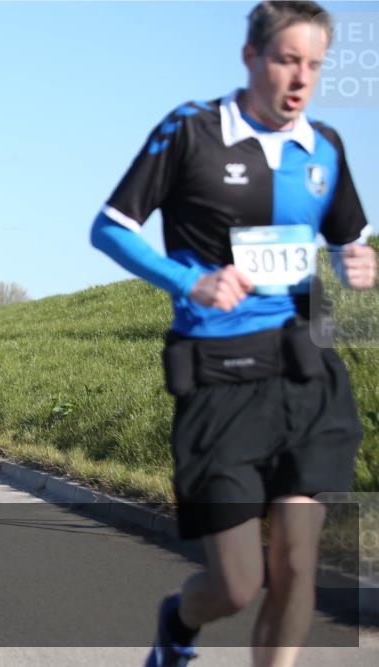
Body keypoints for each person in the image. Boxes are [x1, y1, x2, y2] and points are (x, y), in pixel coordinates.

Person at [89, 3, 375, 665]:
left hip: (307, 373)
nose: (300, 79)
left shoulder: (325, 146)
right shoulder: (191, 131)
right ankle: (179, 623)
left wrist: (355, 262)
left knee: (300, 560)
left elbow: (345, 241)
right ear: (250, 58)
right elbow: (108, 229)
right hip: (220, 375)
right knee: (238, 582)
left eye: (314, 65)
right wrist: (189, 283)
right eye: (286, 60)